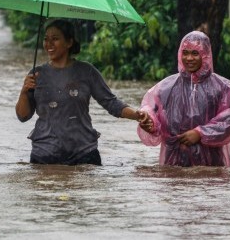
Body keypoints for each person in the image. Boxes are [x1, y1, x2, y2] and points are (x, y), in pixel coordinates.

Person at [15, 19, 148, 166]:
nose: (49, 44)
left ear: (69, 42)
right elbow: (23, 116)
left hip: (84, 154)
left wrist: (137, 115)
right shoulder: (36, 74)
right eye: (46, 39)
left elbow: (111, 103)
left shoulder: (87, 72)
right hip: (44, 154)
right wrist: (23, 90)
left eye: (55, 39)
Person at [137, 31, 230, 167]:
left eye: (195, 53)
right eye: (185, 53)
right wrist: (149, 124)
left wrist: (200, 133)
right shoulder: (166, 87)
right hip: (173, 161)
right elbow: (152, 113)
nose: (189, 58)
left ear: (205, 55)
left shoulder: (223, 88)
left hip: (211, 164)